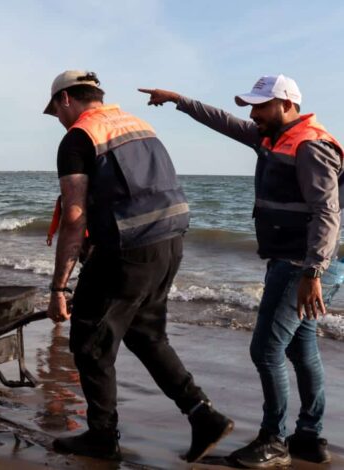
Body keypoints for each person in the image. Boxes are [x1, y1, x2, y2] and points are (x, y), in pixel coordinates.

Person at [140, 74, 343, 468]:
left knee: (266, 350)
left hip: (300, 265)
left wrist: (313, 272)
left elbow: (327, 212)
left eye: (260, 106)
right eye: (252, 107)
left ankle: (274, 441)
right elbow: (224, 121)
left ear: (286, 104)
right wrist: (178, 99)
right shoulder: (272, 137)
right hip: (297, 262)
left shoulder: (309, 145)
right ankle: (309, 437)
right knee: (301, 349)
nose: (252, 114)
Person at [43, 70, 232, 462]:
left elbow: (74, 216)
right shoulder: (138, 125)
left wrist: (59, 287)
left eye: (56, 110)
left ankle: (101, 436)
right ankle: (203, 414)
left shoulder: (79, 136)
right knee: (146, 335)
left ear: (66, 99)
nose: (58, 118)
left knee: (90, 341)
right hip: (170, 242)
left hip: (128, 248)